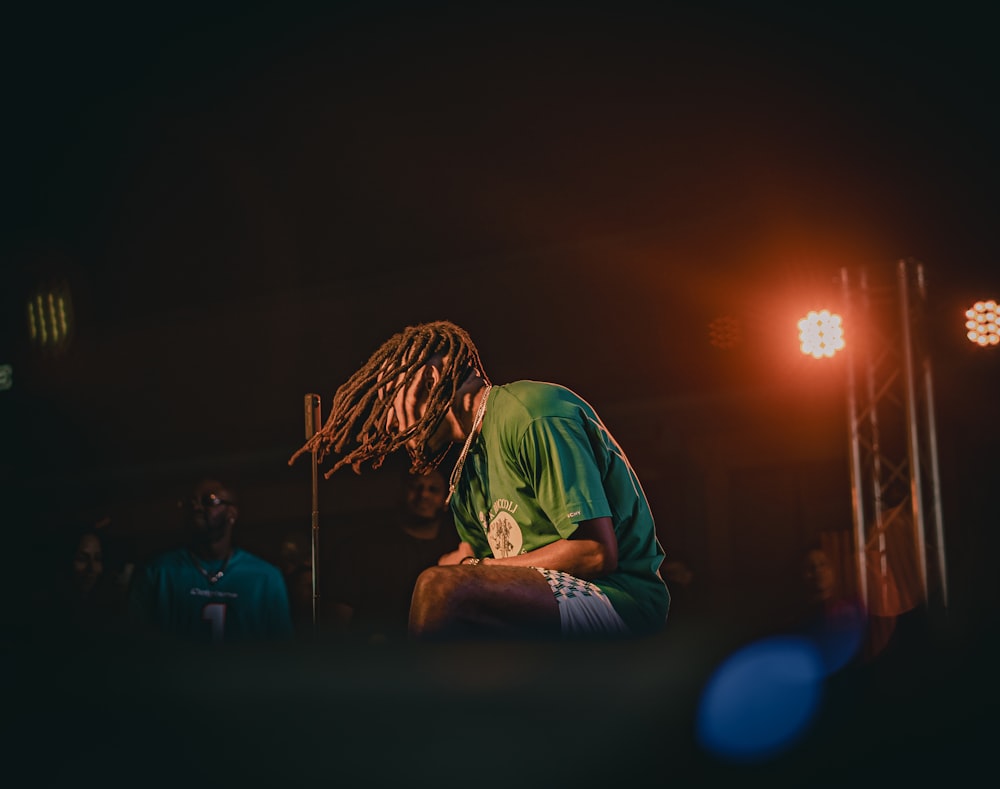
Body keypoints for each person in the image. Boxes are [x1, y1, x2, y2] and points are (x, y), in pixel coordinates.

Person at [289, 320, 670, 640]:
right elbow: (485, 561)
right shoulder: (466, 473)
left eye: (391, 396)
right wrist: (466, 563)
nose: (389, 420)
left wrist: (469, 573)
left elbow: (595, 552)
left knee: (439, 587)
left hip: (615, 599)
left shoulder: (533, 412)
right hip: (548, 596)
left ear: (431, 378)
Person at [128, 477, 293, 645]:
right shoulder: (158, 571)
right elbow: (134, 643)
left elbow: (281, 651)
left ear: (232, 514)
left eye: (210, 500)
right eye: (191, 501)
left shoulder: (265, 577)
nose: (197, 507)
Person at [327, 467, 460, 643]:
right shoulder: (364, 547)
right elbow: (337, 620)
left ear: (445, 497)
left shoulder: (456, 549)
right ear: (401, 491)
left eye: (433, 489)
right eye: (415, 487)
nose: (424, 495)